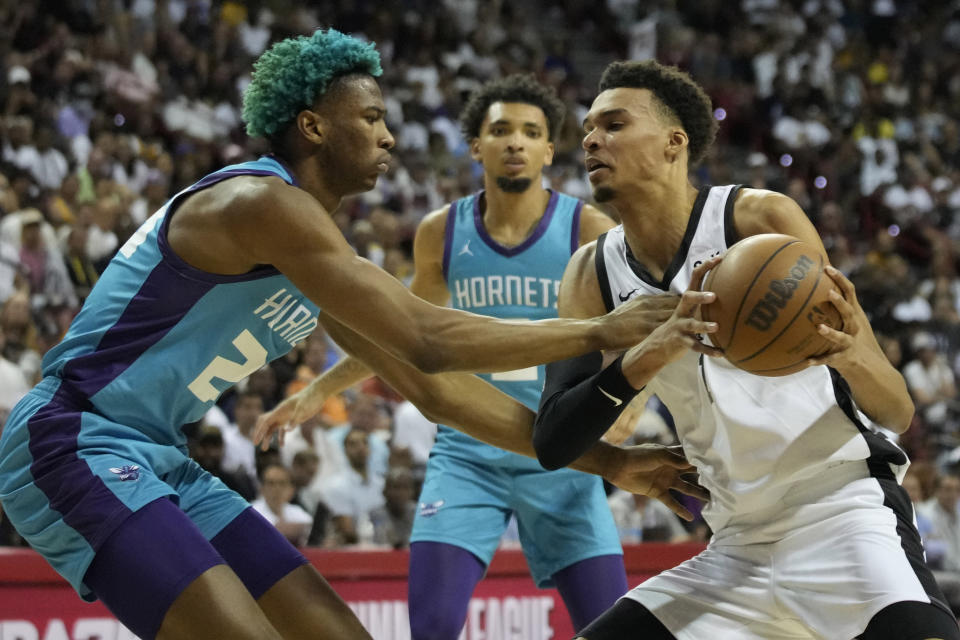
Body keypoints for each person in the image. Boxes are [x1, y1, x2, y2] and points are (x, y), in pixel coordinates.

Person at [0, 30, 692, 640]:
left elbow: (441, 394)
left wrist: (612, 463)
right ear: (313, 127)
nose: (389, 136)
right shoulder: (261, 202)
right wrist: (597, 330)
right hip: (71, 438)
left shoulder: (312, 251)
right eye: (370, 117)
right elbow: (426, 336)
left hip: (157, 454)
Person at [530, 59, 958, 640]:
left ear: (673, 142)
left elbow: (898, 411)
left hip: (842, 513)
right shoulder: (590, 273)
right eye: (587, 128)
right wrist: (650, 351)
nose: (589, 139)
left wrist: (847, 350)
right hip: (734, 545)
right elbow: (554, 439)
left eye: (613, 124)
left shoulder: (760, 220)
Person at [263, 74, 631, 637]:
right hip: (470, 452)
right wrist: (317, 391)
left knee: (612, 628)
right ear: (476, 146)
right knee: (431, 629)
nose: (515, 142)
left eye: (531, 133)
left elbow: (632, 331)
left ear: (548, 151)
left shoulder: (589, 228)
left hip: (560, 452)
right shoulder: (441, 231)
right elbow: (403, 337)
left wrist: (626, 404)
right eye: (501, 130)